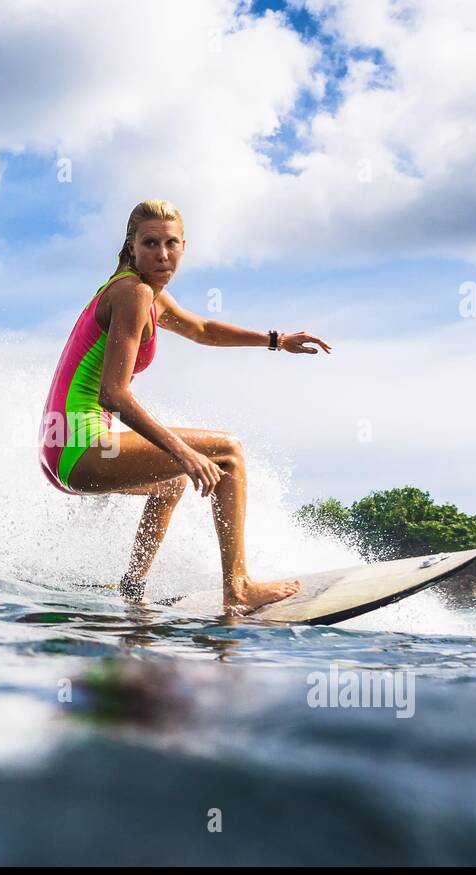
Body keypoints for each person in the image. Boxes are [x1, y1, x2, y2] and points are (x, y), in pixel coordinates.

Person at [38, 199, 332, 615]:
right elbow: (113, 394)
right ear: (131, 246)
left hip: (60, 452)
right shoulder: (133, 294)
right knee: (228, 450)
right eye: (151, 243)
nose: (162, 254)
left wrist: (276, 340)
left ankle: (132, 585)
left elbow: (203, 330)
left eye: (171, 243)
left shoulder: (148, 296)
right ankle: (239, 587)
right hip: (81, 448)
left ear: (184, 246)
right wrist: (186, 452)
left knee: (170, 483)